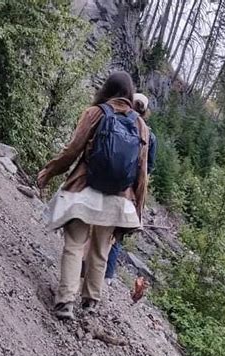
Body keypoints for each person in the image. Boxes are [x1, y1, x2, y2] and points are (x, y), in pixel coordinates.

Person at [37, 71, 149, 320]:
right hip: (118, 199)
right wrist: (137, 211)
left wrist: (50, 171)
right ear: (130, 94)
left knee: (75, 246)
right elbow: (142, 174)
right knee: (100, 251)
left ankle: (65, 301)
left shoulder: (96, 112)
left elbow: (72, 151)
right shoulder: (141, 125)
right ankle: (90, 301)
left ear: (107, 88)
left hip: (84, 192)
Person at [104, 92, 157, 285]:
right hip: (130, 190)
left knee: (98, 223)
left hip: (108, 181)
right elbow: (149, 167)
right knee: (118, 231)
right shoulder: (149, 135)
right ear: (145, 111)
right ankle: (108, 275)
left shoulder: (114, 119)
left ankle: (87, 266)